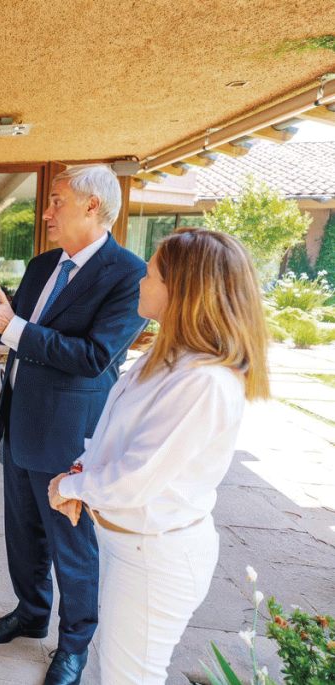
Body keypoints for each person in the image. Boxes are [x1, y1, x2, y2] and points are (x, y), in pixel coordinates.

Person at [47, 228, 269, 684]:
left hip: (155, 555)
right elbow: (120, 439)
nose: (140, 281)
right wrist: (83, 472)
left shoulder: (204, 381)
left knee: (128, 677)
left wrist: (69, 486)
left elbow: (137, 476)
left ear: (183, 290)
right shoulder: (167, 357)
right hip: (126, 541)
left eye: (150, 273)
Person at [0, 164, 146, 685]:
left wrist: (12, 327)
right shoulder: (43, 265)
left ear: (92, 206)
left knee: (73, 547)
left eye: (57, 200)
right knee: (22, 534)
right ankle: (30, 613)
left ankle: (74, 646)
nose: (46, 212)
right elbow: (26, 333)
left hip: (68, 435)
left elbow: (93, 356)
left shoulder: (129, 274)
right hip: (18, 420)